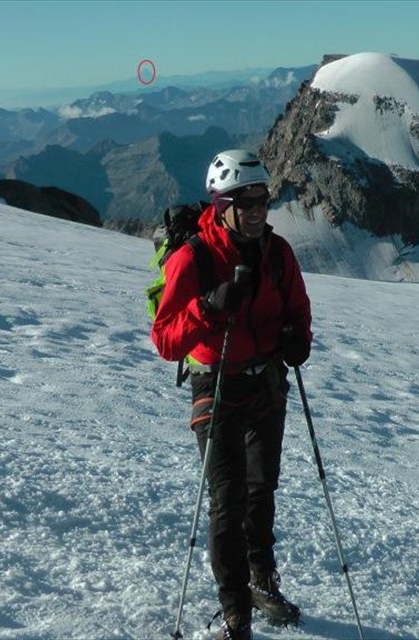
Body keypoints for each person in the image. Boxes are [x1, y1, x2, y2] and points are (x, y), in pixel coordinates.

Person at [151, 149, 312, 640]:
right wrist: (210, 306)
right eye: (247, 201)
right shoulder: (193, 257)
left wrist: (296, 340)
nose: (258, 209)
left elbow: (299, 310)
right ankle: (235, 609)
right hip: (216, 383)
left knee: (261, 491)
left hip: (266, 382)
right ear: (222, 205)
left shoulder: (277, 252)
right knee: (228, 498)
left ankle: (262, 579)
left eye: (262, 199)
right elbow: (165, 339)